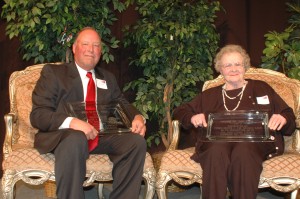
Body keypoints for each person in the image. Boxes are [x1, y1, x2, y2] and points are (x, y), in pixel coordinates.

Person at [30, 27, 147, 199]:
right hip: (65, 136)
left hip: (101, 135)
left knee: (135, 142)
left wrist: (137, 116)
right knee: (75, 138)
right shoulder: (54, 73)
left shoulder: (107, 77)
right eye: (85, 44)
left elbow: (122, 103)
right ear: (74, 48)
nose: (91, 49)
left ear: (100, 51)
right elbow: (38, 115)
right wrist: (73, 122)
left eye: (96, 45)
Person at [173, 44, 296, 199]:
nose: (233, 69)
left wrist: (282, 118)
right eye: (228, 65)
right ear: (221, 69)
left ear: (245, 67)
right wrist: (192, 117)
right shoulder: (209, 95)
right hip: (216, 142)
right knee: (215, 151)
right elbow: (180, 111)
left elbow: (288, 114)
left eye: (237, 64)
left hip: (255, 142)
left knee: (243, 151)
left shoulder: (261, 88)